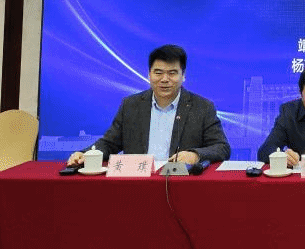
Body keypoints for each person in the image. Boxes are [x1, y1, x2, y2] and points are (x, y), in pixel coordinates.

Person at [67, 44, 230, 167]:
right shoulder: (130, 105)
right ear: (149, 74)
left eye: (172, 73)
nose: (165, 79)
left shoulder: (202, 107)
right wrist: (85, 154)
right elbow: (109, 143)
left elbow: (222, 148)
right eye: (158, 72)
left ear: (183, 76)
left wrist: (195, 155)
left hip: (180, 182)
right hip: (138, 182)